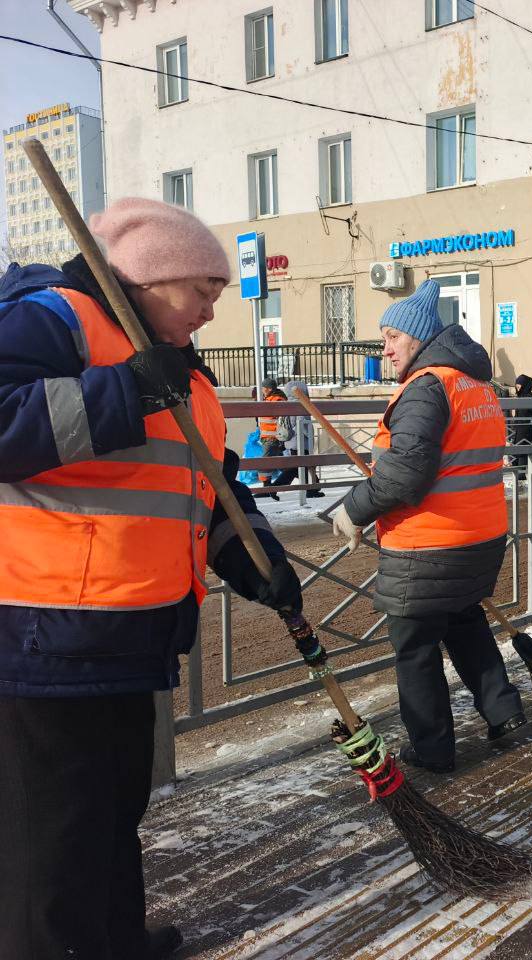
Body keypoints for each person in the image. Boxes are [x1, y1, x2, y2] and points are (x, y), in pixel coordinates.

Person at [0, 197, 303, 960]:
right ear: (149, 275)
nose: (210, 308)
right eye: (202, 288)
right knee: (51, 841)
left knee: (111, 815)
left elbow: (206, 491)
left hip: (129, 634)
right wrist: (124, 392)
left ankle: (110, 942)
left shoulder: (187, 381)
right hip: (43, 636)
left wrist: (252, 554)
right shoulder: (56, 319)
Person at [331, 280, 524, 772]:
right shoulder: (473, 383)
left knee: (414, 645)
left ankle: (433, 748)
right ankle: (503, 711)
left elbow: (406, 472)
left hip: (428, 543)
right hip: (478, 537)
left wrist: (354, 508)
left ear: (418, 337)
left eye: (392, 336)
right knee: (463, 620)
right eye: (383, 338)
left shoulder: (427, 387)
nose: (385, 348)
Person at [271, 379, 324, 498]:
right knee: (296, 469)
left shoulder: (287, 405)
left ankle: (312, 488)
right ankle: (275, 488)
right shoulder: (301, 406)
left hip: (290, 442)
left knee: (300, 468)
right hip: (300, 442)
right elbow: (304, 425)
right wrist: (311, 436)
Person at [256, 378, 287, 489]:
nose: (262, 390)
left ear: (269, 389)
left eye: (264, 388)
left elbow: (280, 419)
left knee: (265, 463)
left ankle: (266, 488)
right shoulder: (270, 399)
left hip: (272, 437)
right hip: (269, 437)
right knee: (283, 465)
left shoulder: (276, 400)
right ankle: (309, 481)